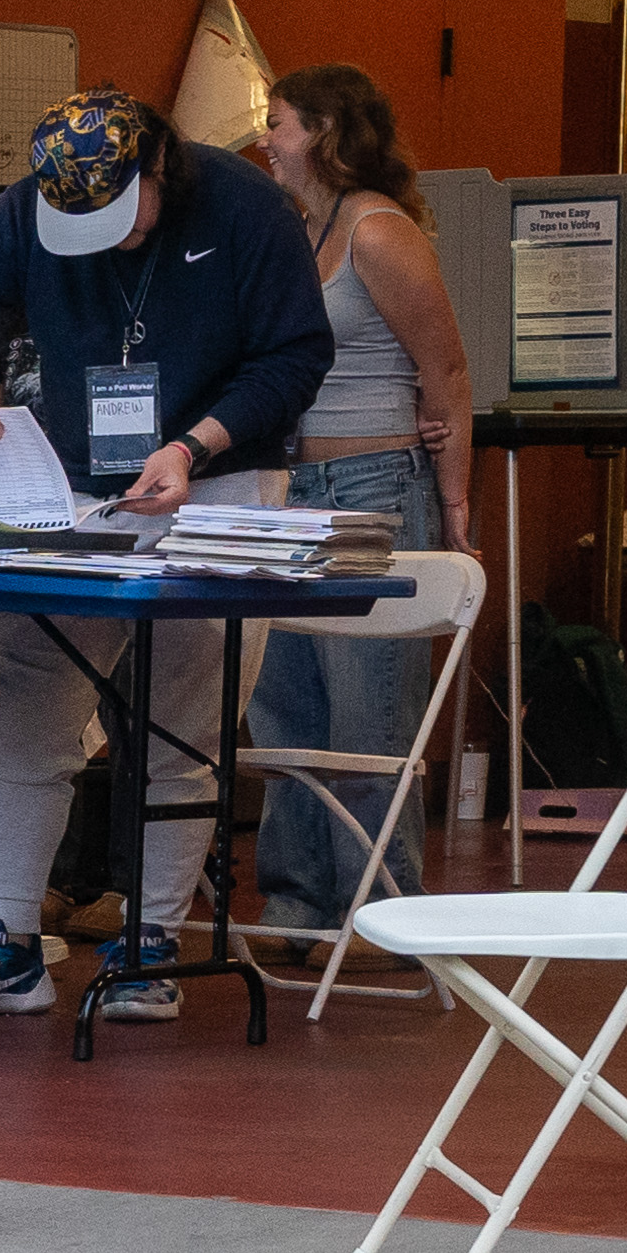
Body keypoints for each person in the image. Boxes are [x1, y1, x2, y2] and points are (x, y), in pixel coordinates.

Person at [0, 89, 334, 1025]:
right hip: (68, 483)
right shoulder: (29, 206)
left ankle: (151, 942)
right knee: (31, 705)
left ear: (157, 172)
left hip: (212, 479)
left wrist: (196, 445)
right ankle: (7, 937)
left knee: (182, 716)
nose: (92, 237)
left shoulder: (245, 209)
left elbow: (296, 355)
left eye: (113, 215)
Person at [248, 63, 473, 940]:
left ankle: (383, 914)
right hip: (292, 491)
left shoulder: (378, 231)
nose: (267, 139)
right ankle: (298, 899)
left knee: (368, 714)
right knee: (284, 708)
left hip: (373, 487)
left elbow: (444, 369)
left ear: (327, 135)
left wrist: (453, 505)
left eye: (280, 123)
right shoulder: (297, 230)